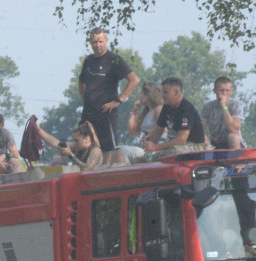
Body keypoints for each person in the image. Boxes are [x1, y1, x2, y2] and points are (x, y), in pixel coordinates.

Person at [78, 27, 140, 164]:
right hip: (88, 113)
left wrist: (118, 100)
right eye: (94, 42)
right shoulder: (88, 61)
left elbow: (134, 80)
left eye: (100, 41)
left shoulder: (114, 59)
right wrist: (85, 101)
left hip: (105, 114)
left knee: (107, 149)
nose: (97, 45)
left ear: (106, 41)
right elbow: (81, 83)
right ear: (90, 43)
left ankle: (103, 174)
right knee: (81, 145)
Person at [143, 77, 206, 159]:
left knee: (173, 153)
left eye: (165, 92)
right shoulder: (166, 107)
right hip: (175, 146)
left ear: (176, 92)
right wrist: (149, 145)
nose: (162, 95)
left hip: (194, 147)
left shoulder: (186, 110)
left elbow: (181, 140)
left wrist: (156, 147)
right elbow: (158, 130)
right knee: (146, 158)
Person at [116, 81, 164, 163]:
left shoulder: (158, 109)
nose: (140, 96)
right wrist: (134, 111)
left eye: (142, 94)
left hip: (155, 150)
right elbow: (131, 131)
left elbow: (164, 128)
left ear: (148, 95)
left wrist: (147, 134)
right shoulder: (146, 113)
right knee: (117, 149)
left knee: (121, 150)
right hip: (145, 150)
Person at [35, 121, 103, 170]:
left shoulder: (96, 151)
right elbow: (55, 143)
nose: (74, 143)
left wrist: (71, 155)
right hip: (77, 182)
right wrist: (38, 130)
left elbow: (87, 168)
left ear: (87, 139)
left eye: (77, 141)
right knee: (58, 159)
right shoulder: (78, 147)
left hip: (90, 185)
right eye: (73, 140)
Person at [202, 76, 245, 150]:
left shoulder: (236, 105)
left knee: (233, 137)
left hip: (233, 144)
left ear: (231, 91)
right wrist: (205, 140)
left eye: (227, 90)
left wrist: (224, 107)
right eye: (221, 90)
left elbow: (234, 129)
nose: (224, 93)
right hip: (215, 144)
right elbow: (200, 129)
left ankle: (235, 160)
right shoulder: (208, 106)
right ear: (214, 90)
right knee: (200, 137)